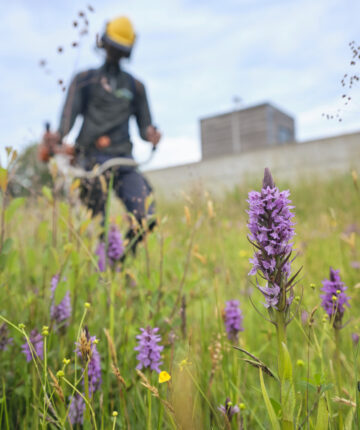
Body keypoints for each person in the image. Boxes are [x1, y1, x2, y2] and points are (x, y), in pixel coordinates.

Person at [40, 16, 161, 258]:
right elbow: (67, 121)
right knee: (97, 225)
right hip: (90, 161)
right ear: (104, 44)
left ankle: (119, 260)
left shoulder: (136, 87)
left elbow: (145, 128)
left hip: (123, 161)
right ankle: (101, 267)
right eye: (113, 48)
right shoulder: (84, 80)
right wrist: (56, 138)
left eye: (121, 50)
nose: (115, 54)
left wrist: (151, 135)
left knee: (146, 215)